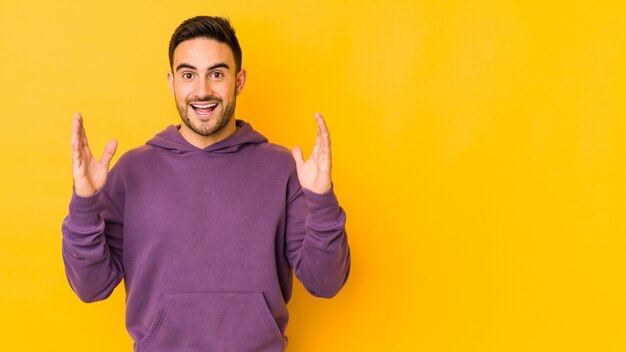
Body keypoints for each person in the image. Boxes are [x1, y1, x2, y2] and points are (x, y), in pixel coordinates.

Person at [61, 16, 351, 352]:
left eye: (217, 74)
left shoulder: (284, 169)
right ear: (172, 82)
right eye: (188, 75)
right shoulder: (131, 171)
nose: (202, 91)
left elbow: (326, 282)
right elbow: (91, 287)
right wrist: (84, 202)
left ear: (238, 81)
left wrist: (322, 200)